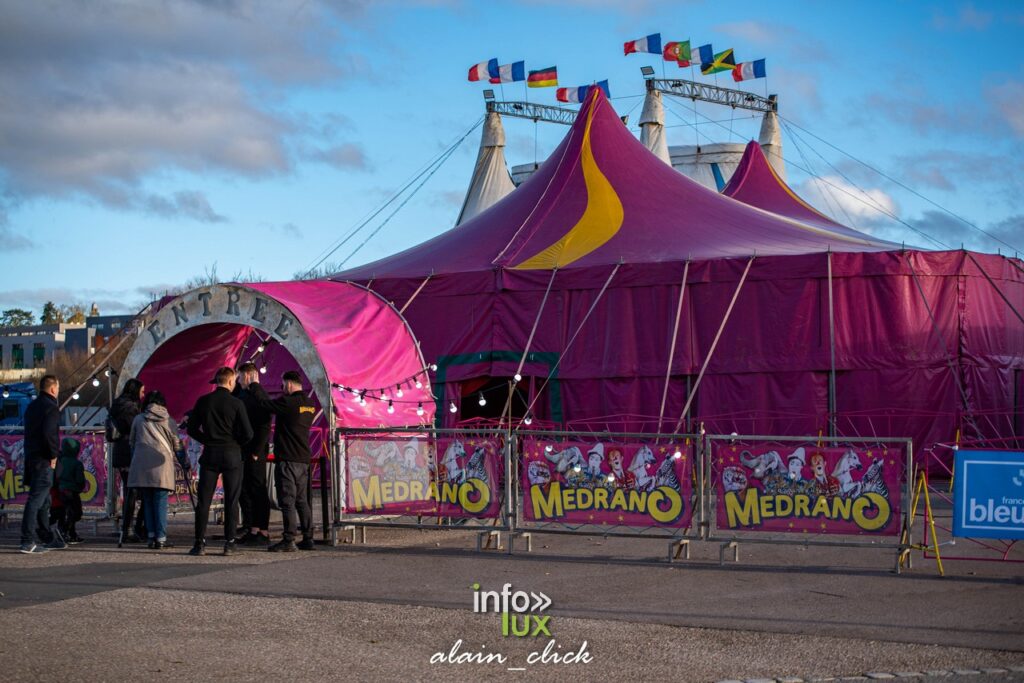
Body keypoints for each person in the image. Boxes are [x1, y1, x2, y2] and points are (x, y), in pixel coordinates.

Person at [186, 366, 253, 556]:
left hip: (210, 454)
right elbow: (248, 433)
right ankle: (229, 543)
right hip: (231, 454)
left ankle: (199, 543)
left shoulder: (203, 401)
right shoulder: (237, 403)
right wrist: (235, 443)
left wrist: (206, 439)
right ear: (231, 381)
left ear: (217, 382)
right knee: (231, 500)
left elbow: (191, 429)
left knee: (204, 501)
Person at [251, 370, 316, 552]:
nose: (282, 388)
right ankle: (308, 537)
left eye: (282, 385)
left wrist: (255, 386)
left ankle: (289, 539)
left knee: (287, 500)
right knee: (302, 500)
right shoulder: (309, 404)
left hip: (287, 458)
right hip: (304, 458)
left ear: (288, 383)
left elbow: (264, 405)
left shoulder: (288, 402)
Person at [129, 391, 185, 550]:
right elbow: (177, 443)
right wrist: (183, 461)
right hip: (162, 466)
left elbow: (132, 441)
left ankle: (151, 536)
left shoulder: (138, 419)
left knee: (147, 501)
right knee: (160, 501)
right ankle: (161, 538)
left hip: (142, 466)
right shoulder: (169, 420)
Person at [20, 375, 64, 553]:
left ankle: (46, 537)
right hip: (44, 460)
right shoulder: (51, 408)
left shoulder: (32, 407)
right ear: (53, 389)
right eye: (58, 388)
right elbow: (49, 435)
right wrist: (53, 455)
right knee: (36, 500)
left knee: (44, 500)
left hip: (31, 457)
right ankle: (27, 540)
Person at [233, 362, 272, 546]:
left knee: (258, 488)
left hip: (255, 450)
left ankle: (262, 530)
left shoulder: (257, 394)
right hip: (248, 448)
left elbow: (265, 424)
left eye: (240, 377)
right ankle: (254, 528)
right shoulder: (246, 394)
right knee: (249, 487)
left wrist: (257, 450)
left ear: (247, 376)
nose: (238, 381)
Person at [110, 378, 146, 543]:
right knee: (133, 491)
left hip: (120, 451)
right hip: (129, 451)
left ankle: (130, 527)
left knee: (130, 490)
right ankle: (130, 528)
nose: (143, 394)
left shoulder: (117, 405)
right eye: (142, 391)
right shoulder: (130, 408)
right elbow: (136, 429)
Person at [53, 437, 86, 544]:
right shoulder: (77, 464)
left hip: (61, 490)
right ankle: (65, 530)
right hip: (72, 492)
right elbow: (80, 479)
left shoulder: (60, 460)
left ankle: (71, 534)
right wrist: (80, 487)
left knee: (66, 512)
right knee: (76, 513)